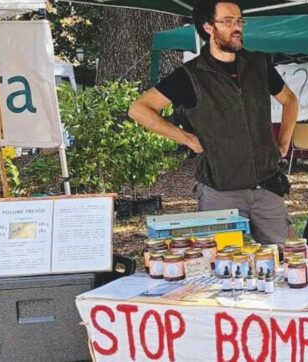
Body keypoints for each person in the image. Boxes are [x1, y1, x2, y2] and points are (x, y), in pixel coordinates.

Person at [128, 0, 298, 246]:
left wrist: (283, 142)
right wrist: (187, 139)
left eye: (239, 21)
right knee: (225, 266)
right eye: (228, 21)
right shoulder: (190, 75)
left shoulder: (259, 65)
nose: (237, 27)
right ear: (208, 27)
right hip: (220, 191)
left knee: (287, 261)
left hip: (267, 187)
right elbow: (139, 109)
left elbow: (290, 101)